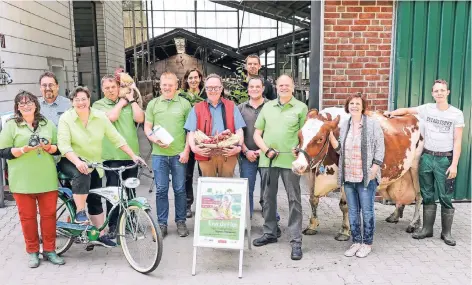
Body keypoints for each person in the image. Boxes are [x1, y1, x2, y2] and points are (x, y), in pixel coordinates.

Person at [57, 86, 145, 248]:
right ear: (72, 102)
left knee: (95, 199)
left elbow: (116, 137)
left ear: (89, 100)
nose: (81, 102)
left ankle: (99, 235)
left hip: (94, 163)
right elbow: (64, 146)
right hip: (71, 161)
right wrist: (77, 162)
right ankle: (80, 213)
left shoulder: (99, 117)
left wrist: (133, 155)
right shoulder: (66, 118)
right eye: (77, 100)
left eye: (84, 99)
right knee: (81, 174)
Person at [384, 79, 464, 246]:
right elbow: (406, 110)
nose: (439, 93)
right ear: (432, 93)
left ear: (448, 92)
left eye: (442, 90)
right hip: (427, 157)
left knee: (445, 196)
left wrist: (454, 164)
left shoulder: (456, 114)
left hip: (444, 159)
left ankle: (446, 232)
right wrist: (391, 113)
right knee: (427, 193)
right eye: (436, 91)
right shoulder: (426, 109)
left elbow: (457, 141)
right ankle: (427, 229)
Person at [0, 91, 65, 267]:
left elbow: (60, 148)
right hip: (22, 181)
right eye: (22, 104)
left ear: (36, 104)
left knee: (49, 217)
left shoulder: (47, 123)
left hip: (46, 178)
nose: (26, 106)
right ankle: (33, 252)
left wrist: (48, 147)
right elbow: (3, 151)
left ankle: (50, 250)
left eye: (29, 102)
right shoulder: (11, 125)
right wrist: (23, 150)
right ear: (17, 108)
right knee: (27, 219)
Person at [252, 75, 308, 261]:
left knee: (294, 200)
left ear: (293, 87)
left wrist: (299, 150)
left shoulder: (301, 108)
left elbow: (305, 136)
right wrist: (266, 150)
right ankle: (270, 232)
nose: (283, 87)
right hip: (268, 160)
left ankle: (296, 240)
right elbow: (257, 134)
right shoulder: (267, 107)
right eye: (280, 85)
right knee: (267, 198)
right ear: (276, 87)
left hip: (289, 163)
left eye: (287, 85)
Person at [328, 93, 385, 258]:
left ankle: (367, 243)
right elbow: (340, 150)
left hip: (366, 176)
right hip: (349, 176)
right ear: (347, 106)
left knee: (367, 211)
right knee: (353, 211)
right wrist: (331, 136)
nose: (354, 106)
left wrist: (375, 166)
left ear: (363, 106)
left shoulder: (372, 125)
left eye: (357, 104)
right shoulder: (345, 125)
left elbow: (380, 147)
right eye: (351, 103)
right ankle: (356, 242)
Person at [93, 75, 145, 238]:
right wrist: (123, 102)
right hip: (111, 156)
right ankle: (114, 224)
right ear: (102, 90)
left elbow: (140, 118)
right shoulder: (98, 105)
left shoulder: (129, 103)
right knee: (113, 191)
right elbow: (111, 117)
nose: (110, 91)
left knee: (130, 190)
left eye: (113, 87)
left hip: (131, 154)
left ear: (118, 87)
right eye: (107, 88)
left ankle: (130, 221)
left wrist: (131, 100)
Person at [144, 72, 191, 238]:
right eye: (164, 84)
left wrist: (186, 150)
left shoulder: (185, 104)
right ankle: (162, 224)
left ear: (176, 85)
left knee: (179, 189)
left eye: (170, 84)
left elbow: (190, 130)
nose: (167, 87)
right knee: (161, 190)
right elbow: (147, 127)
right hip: (159, 155)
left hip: (179, 155)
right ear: (160, 85)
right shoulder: (153, 104)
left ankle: (180, 221)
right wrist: (154, 139)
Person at [237, 76, 281, 237]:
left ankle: (272, 224)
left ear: (263, 88)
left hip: (267, 155)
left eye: (258, 87)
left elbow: (276, 130)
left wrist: (263, 150)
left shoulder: (272, 106)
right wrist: (245, 151)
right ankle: (245, 223)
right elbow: (237, 132)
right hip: (246, 156)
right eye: (251, 87)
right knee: (246, 190)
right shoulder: (240, 108)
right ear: (247, 89)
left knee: (269, 191)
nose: (254, 89)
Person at [185, 73, 246, 177]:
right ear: (205, 88)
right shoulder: (197, 108)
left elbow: (239, 130)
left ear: (221, 88)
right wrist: (194, 148)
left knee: (227, 187)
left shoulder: (231, 106)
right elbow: (191, 132)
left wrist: (239, 147)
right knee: (208, 187)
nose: (213, 91)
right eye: (209, 88)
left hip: (228, 153)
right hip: (206, 153)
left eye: (216, 88)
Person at [179, 68, 205, 218]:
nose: (193, 80)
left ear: (200, 79)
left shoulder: (206, 95)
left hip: (203, 139)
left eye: (196, 77)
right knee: (187, 174)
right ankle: (188, 204)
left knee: (203, 173)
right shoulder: (181, 96)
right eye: (190, 78)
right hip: (186, 139)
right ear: (186, 79)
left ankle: (204, 204)